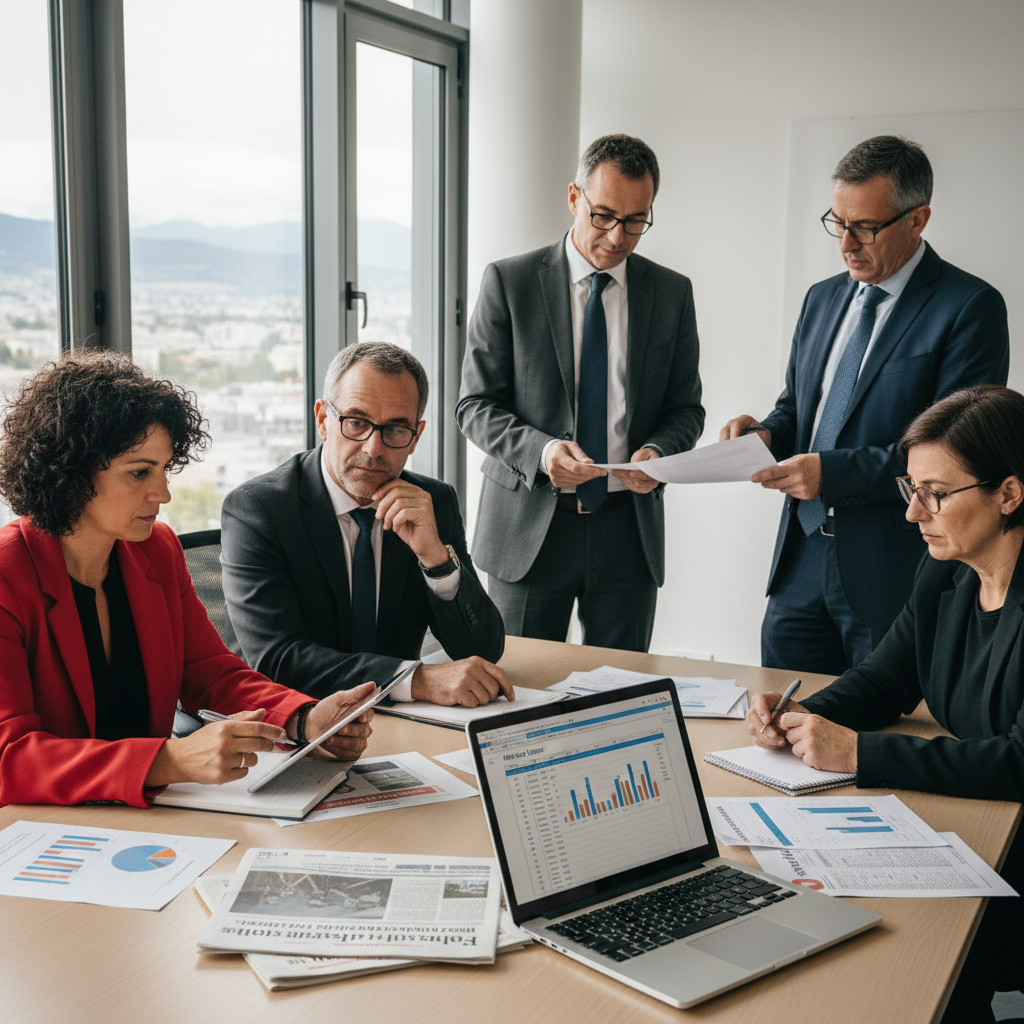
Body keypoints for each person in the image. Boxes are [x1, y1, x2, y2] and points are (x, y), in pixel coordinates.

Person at [747, 385, 1024, 1022]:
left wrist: (860, 752)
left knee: (911, 969)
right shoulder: (948, 569)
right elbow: (886, 679)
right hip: (979, 831)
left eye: (936, 494)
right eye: (911, 490)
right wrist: (801, 716)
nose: (913, 514)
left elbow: (1019, 761)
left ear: (1008, 493)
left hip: (1013, 854)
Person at [0, 352, 374, 809]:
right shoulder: (8, 574)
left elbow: (210, 674)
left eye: (163, 469)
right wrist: (168, 760)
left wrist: (305, 719)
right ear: (70, 474)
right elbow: (10, 758)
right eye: (140, 472)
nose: (163, 494)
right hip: (40, 837)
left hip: (149, 823)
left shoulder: (155, 550)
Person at [721, 135, 1009, 676]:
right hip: (798, 563)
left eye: (866, 227)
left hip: (891, 569)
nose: (846, 243)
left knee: (874, 741)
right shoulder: (822, 298)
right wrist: (761, 434)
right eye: (837, 221)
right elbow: (798, 410)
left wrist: (827, 472)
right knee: (785, 729)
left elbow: (952, 454)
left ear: (918, 219)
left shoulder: (970, 307)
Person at [457, 134, 704, 652]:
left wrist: (658, 453)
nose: (618, 236)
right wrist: (543, 452)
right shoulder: (510, 281)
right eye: (603, 215)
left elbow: (685, 408)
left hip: (627, 535)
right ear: (575, 199)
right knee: (516, 695)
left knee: (621, 697)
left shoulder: (672, 292)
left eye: (636, 220)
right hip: (529, 527)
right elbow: (474, 406)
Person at [221, 342, 509, 707]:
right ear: (324, 420)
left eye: (395, 429)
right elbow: (277, 660)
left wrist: (435, 559)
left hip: (395, 723)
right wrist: (415, 679)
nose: (373, 448)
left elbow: (482, 649)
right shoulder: (259, 510)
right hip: (286, 724)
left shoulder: (431, 503)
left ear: (416, 437)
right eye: (356, 422)